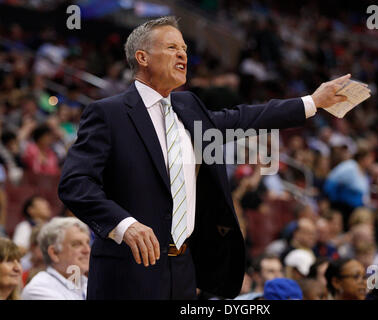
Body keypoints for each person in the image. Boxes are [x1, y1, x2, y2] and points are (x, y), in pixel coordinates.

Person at [58, 16, 351, 299]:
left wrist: (312, 102)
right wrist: (123, 225)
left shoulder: (189, 107)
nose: (183, 54)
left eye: (184, 48)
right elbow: (75, 183)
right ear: (143, 57)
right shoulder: (109, 113)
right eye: (172, 47)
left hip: (184, 267)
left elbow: (243, 118)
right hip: (128, 268)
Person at [21, 217, 90, 300]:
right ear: (54, 253)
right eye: (76, 244)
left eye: (88, 243)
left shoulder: (88, 283)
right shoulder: (39, 289)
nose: (87, 250)